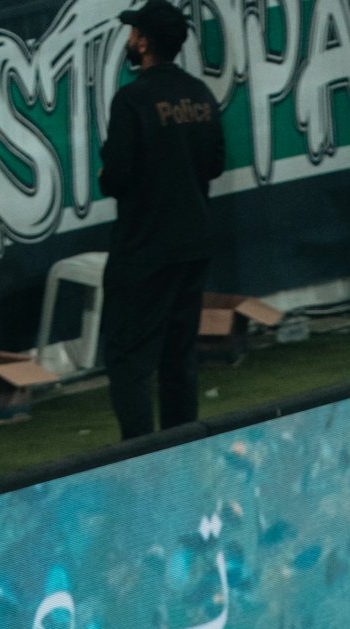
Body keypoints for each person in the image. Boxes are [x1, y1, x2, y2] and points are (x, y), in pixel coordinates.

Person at [98, 0, 225, 442]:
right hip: (193, 241)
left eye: (134, 32)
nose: (129, 39)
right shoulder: (200, 93)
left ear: (144, 42)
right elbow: (215, 163)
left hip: (145, 246)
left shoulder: (132, 99)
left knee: (129, 358)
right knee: (179, 355)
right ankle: (180, 449)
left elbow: (115, 176)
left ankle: (139, 453)